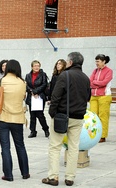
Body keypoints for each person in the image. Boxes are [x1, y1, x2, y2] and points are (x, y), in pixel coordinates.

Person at [42, 52, 91, 186]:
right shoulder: (86, 78)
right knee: (73, 147)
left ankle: (53, 177)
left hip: (62, 116)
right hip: (78, 117)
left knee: (55, 146)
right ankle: (70, 177)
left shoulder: (65, 75)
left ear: (70, 62)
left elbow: (56, 96)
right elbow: (88, 97)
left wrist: (52, 112)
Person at [0, 59, 30, 182]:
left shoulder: (1, 81)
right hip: (18, 118)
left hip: (2, 118)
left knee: (5, 147)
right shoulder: (22, 82)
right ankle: (25, 173)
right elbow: (23, 96)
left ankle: (8, 175)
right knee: (20, 146)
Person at [89, 54, 113, 143]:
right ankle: (94, 134)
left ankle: (102, 136)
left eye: (98, 61)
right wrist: (96, 83)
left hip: (104, 96)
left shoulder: (109, 71)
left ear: (103, 62)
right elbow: (90, 82)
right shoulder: (95, 71)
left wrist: (95, 83)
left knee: (103, 116)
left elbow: (104, 83)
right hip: (94, 96)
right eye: (96, 61)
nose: (96, 63)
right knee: (93, 117)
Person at [25, 60, 50, 138]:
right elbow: (26, 85)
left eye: (38, 66)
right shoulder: (28, 75)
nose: (36, 67)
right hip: (31, 97)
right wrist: (31, 91)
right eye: (35, 66)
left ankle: (46, 129)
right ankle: (33, 131)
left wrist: (36, 91)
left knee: (40, 115)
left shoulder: (43, 74)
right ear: (32, 67)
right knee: (32, 115)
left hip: (40, 96)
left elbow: (44, 84)